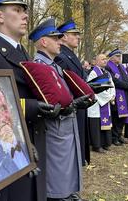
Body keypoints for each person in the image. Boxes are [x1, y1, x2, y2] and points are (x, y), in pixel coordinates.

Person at [0, 0, 60, 201]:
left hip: (32, 136)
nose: (25, 15)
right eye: (17, 10)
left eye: (24, 10)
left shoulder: (21, 51)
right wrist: (31, 107)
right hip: (8, 147)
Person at [30, 18, 88, 201]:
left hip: (65, 125)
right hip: (55, 127)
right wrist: (68, 105)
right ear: (44, 41)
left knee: (66, 170)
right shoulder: (40, 66)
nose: (59, 41)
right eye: (55, 38)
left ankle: (67, 194)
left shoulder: (54, 66)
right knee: (57, 175)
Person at [55, 18, 90, 166]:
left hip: (80, 103)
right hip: (73, 104)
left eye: (78, 34)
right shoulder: (61, 56)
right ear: (63, 37)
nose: (78, 37)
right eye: (74, 34)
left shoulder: (70, 54)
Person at [87, 54, 115, 153]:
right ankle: (97, 145)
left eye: (106, 59)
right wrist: (108, 97)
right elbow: (95, 89)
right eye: (102, 59)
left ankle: (105, 143)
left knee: (105, 123)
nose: (105, 61)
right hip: (97, 103)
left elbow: (112, 85)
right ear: (97, 61)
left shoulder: (107, 73)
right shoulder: (93, 73)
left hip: (106, 102)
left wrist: (112, 95)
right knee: (96, 124)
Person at [106, 49, 128, 146]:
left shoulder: (121, 67)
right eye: (117, 56)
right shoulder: (108, 67)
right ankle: (114, 137)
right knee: (116, 118)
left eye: (120, 56)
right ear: (112, 57)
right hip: (117, 96)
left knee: (122, 118)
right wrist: (127, 85)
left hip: (125, 95)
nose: (119, 58)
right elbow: (114, 81)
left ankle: (119, 135)